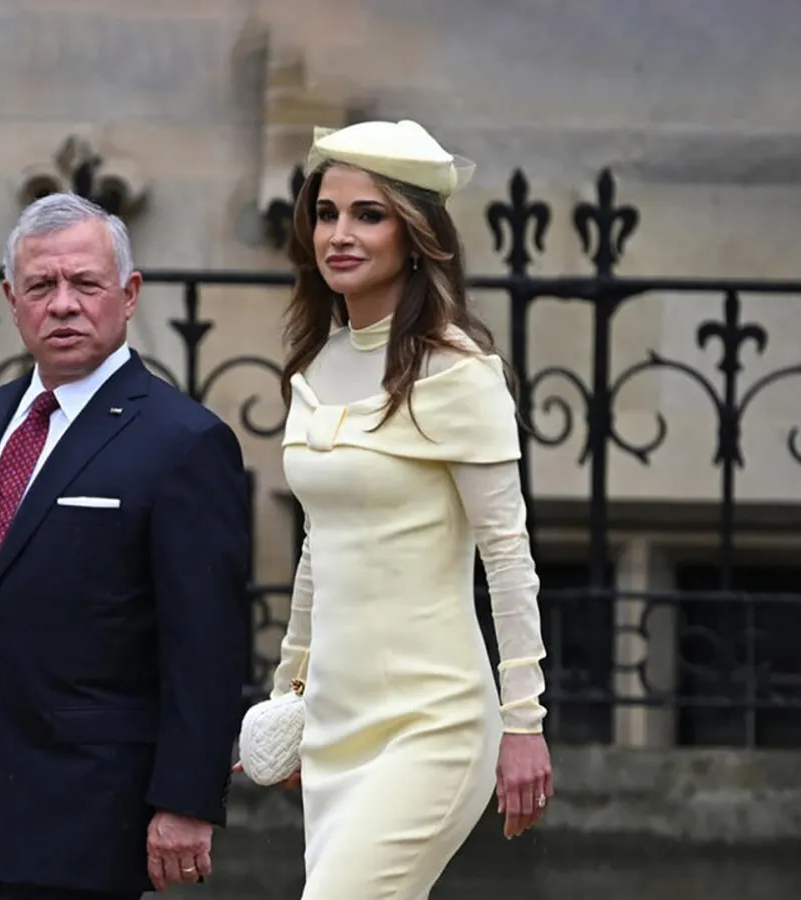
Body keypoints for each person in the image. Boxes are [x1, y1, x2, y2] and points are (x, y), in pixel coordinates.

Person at [0, 192, 251, 900]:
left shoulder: (184, 442)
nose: (64, 304)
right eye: (42, 285)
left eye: (86, 283)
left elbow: (207, 644)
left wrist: (187, 800)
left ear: (129, 295)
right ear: (12, 301)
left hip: (100, 806)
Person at [251, 120, 554, 899]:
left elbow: (507, 553)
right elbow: (320, 544)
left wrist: (523, 722)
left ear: (416, 235)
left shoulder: (459, 372)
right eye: (327, 214)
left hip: (434, 721)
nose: (340, 235)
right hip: (335, 722)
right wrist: (288, 693)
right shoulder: (317, 365)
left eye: (369, 215)